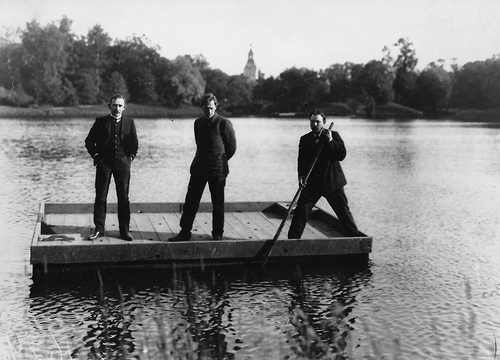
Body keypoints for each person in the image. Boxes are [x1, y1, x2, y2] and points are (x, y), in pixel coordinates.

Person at [169, 93, 237, 241]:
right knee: (190, 202)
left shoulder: (224, 123)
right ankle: (185, 231)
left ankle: (217, 234)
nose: (209, 111)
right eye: (206, 108)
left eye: (211, 108)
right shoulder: (197, 123)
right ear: (201, 108)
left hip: (217, 170)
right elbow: (199, 144)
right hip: (199, 167)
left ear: (216, 106)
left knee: (217, 204)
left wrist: (219, 160)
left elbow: (231, 148)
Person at [288, 109, 361, 239]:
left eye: (318, 122)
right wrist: (301, 176)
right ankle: (292, 241)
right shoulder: (305, 139)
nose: (315, 125)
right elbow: (301, 161)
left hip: (332, 183)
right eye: (312, 122)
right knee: (300, 211)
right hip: (312, 184)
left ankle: (356, 241)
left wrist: (330, 140)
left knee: (344, 213)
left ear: (324, 122)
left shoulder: (334, 135)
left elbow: (341, 155)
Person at [85, 94, 138, 241]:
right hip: (104, 164)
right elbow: (89, 141)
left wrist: (130, 158)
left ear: (124, 108)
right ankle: (99, 229)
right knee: (101, 198)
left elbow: (134, 143)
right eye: (114, 105)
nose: (117, 108)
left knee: (123, 198)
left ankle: (124, 230)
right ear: (110, 106)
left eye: (120, 105)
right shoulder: (101, 122)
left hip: (123, 165)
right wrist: (96, 156)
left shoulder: (130, 123)